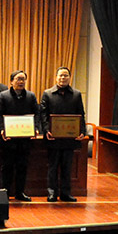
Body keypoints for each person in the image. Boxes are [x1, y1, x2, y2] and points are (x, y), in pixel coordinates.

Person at [40, 66, 86, 203]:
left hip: (69, 138)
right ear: (56, 77)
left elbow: (81, 114)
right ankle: (52, 192)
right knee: (53, 166)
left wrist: (82, 131)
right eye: (60, 75)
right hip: (53, 137)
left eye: (65, 75)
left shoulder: (76, 94)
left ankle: (66, 193)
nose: (63, 78)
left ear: (69, 78)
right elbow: (43, 114)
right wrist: (46, 130)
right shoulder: (48, 94)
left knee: (67, 167)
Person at [0, 70, 40, 202]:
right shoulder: (3, 96)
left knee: (22, 166)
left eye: (23, 79)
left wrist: (35, 128)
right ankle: (5, 192)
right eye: (18, 79)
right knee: (7, 167)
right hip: (8, 139)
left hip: (25, 139)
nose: (21, 82)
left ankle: (20, 192)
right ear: (11, 82)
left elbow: (37, 113)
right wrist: (2, 129)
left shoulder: (31, 96)